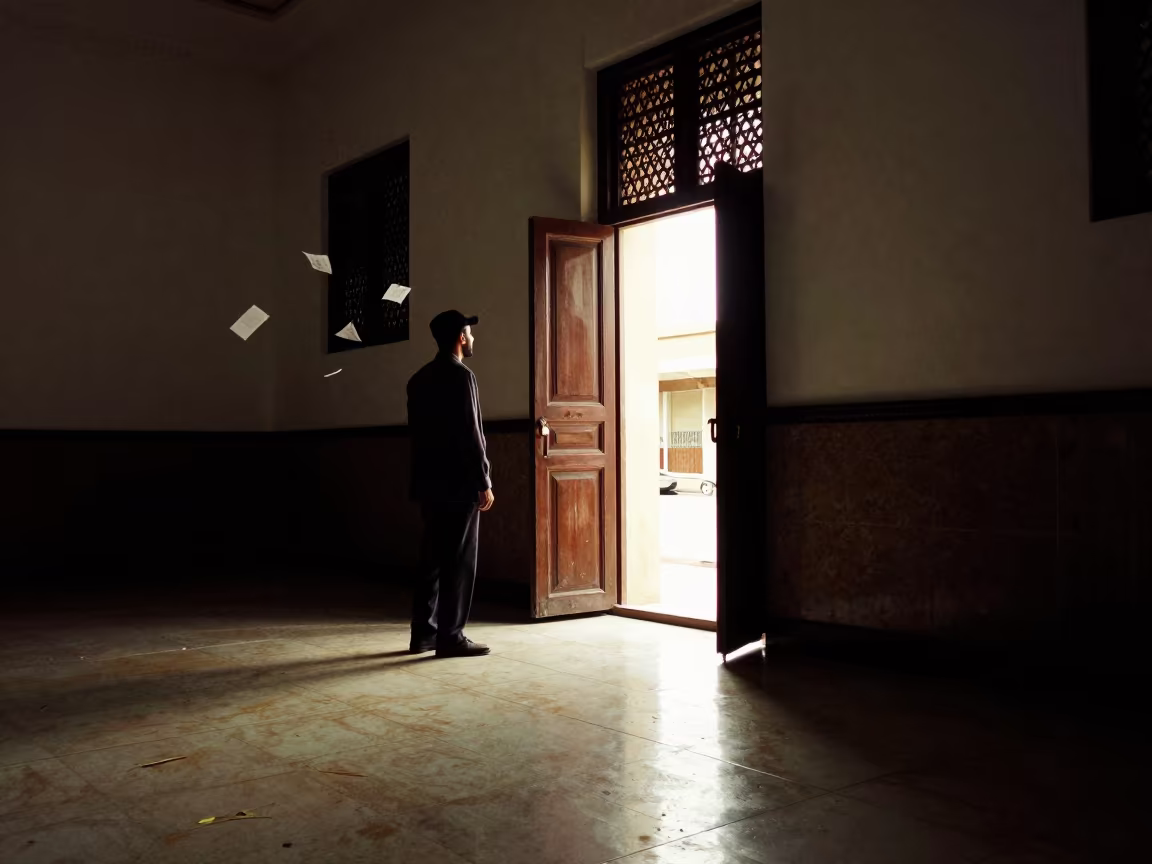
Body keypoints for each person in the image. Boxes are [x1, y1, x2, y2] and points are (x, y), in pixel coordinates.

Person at [406, 310, 494, 657]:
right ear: (460, 337)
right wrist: (483, 479)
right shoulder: (462, 376)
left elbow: (418, 437)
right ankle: (451, 636)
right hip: (459, 484)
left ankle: (422, 634)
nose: (472, 338)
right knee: (458, 561)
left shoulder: (417, 380)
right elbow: (472, 433)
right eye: (469, 333)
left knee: (431, 559)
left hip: (429, 483)